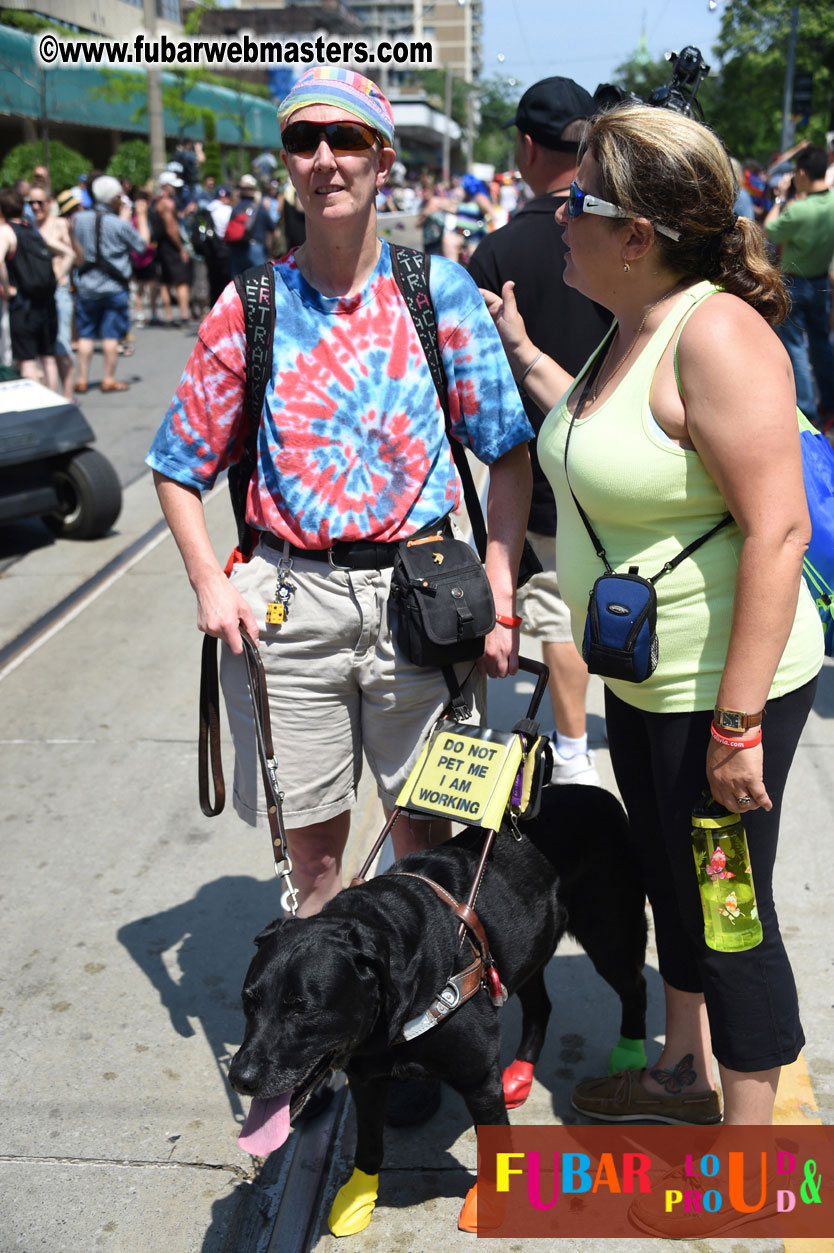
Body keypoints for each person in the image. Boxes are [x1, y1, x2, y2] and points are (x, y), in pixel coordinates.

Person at [147, 66, 532, 1121]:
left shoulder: (436, 292)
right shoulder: (252, 304)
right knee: (315, 855)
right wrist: (210, 582)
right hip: (292, 608)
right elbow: (177, 463)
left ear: (382, 158)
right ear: (287, 162)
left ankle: (415, 1030)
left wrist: (501, 582)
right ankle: (324, 1054)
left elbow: (507, 450)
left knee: (429, 846)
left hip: (421, 603)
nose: (325, 158)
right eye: (304, 139)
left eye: (347, 138)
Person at [482, 103, 824, 1128]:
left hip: (717, 695)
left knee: (730, 917)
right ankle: (681, 1072)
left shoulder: (715, 334)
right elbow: (607, 439)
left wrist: (737, 724)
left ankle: (748, 1159)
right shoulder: (633, 327)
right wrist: (523, 352)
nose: (557, 215)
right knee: (674, 891)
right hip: (643, 684)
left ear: (636, 234)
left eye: (578, 202)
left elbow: (778, 531)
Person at [469, 76, 612, 785]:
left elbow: (470, 384)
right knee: (581, 607)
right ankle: (577, 743)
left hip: (530, 470)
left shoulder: (495, 254)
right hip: (614, 460)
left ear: (526, 147)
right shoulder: (617, 242)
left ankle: (568, 751)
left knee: (546, 610)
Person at [764, 145, 834, 431]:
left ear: (802, 174)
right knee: (820, 343)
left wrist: (780, 198)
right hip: (821, 282)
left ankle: (806, 408)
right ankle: (828, 401)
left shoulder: (799, 210)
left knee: (795, 347)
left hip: (795, 282)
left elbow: (769, 229)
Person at [72, 174, 149, 393]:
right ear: (114, 198)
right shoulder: (118, 224)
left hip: (86, 285)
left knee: (85, 335)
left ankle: (82, 378)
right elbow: (142, 246)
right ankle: (108, 378)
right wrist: (141, 216)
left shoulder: (78, 219)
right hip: (113, 288)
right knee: (110, 336)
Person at [0, 184, 59, 391]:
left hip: (23, 305)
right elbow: (66, 252)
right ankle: (54, 403)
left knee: (27, 361)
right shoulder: (32, 229)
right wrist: (60, 276)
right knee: (48, 358)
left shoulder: (6, 232)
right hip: (46, 303)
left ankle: (36, 405)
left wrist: (7, 288)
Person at [29, 185, 77, 399]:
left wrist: (57, 276)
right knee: (44, 350)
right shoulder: (30, 226)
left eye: (39, 202)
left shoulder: (59, 224)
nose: (35, 207)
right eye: (31, 203)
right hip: (37, 294)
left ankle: (67, 397)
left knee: (61, 345)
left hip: (58, 291)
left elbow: (72, 255)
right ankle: (53, 397)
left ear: (49, 203)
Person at [154, 172, 193, 327]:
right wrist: (181, 247)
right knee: (182, 281)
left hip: (161, 244)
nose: (176, 189)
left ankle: (169, 316)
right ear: (166, 185)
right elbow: (171, 228)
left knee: (165, 281)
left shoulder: (156, 201)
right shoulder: (167, 203)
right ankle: (184, 315)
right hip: (171, 245)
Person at [225, 174, 274, 279]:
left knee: (238, 283)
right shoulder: (260, 208)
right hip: (255, 248)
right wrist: (271, 252)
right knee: (259, 282)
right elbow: (272, 229)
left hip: (236, 249)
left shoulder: (236, 208)